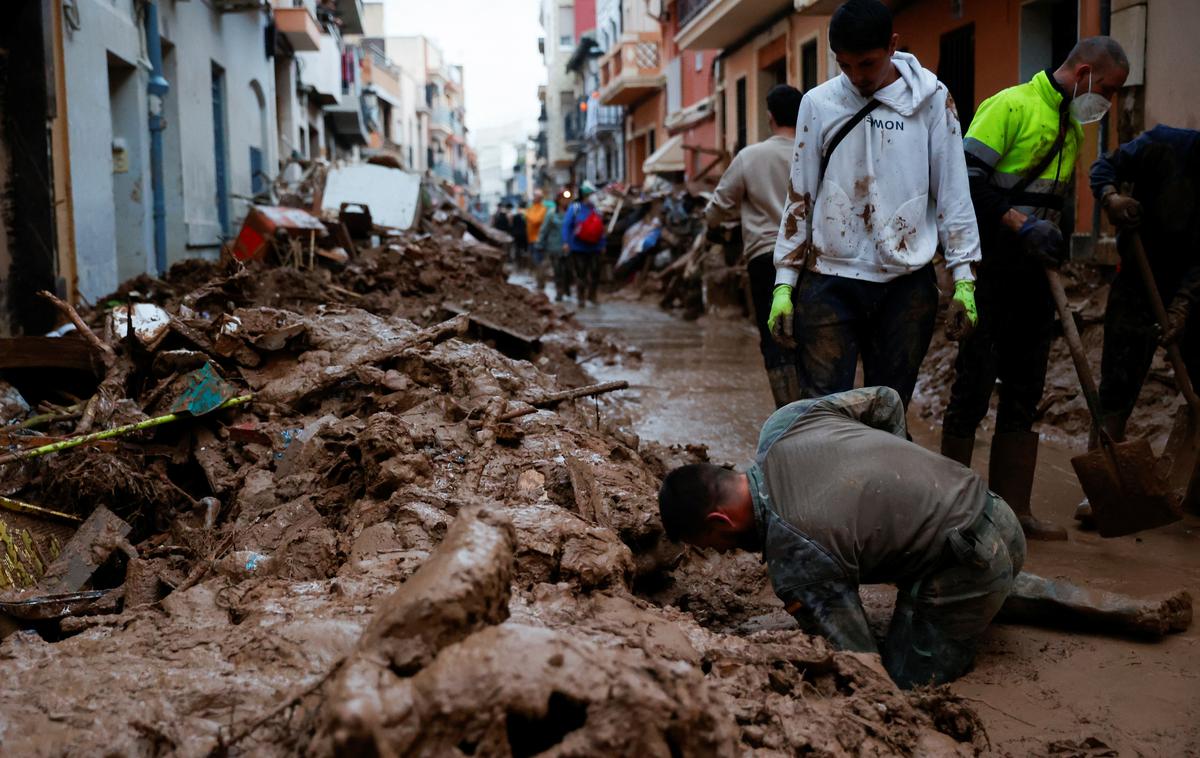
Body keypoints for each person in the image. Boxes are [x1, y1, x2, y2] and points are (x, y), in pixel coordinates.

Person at [657, 387, 1025, 688]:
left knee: (900, 685)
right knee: (924, 552)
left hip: (974, 566)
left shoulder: (794, 556)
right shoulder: (785, 422)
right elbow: (887, 400)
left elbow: (860, 661)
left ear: (720, 520)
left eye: (711, 546)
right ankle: (1009, 588)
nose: (723, 554)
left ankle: (987, 592)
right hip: (1000, 515)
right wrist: (893, 478)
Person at [940, 36, 1129, 540]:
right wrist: (1020, 223)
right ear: (1085, 72)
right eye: (1107, 89)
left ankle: (1014, 509)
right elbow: (964, 179)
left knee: (1026, 389)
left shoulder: (1072, 126)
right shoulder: (1010, 105)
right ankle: (950, 510)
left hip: (1035, 276)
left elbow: (1056, 199)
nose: (1107, 102)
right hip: (990, 270)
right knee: (973, 387)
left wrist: (1051, 238)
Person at [767, 0, 981, 412]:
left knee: (889, 412)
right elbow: (800, 196)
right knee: (823, 414)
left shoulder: (934, 100)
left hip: (906, 284)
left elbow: (954, 193)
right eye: (844, 66)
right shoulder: (818, 103)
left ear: (892, 45)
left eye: (866, 63)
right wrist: (783, 284)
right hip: (829, 280)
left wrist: (964, 278)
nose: (857, 77)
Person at [1075, 127, 1200, 524]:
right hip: (1138, 279)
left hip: (1192, 285)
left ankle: (1193, 491)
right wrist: (1112, 198)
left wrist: (1182, 308)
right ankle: (1104, 492)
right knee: (1117, 386)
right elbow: (1103, 165)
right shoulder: (1162, 144)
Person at [707, 84, 805, 407]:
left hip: (766, 259)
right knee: (810, 335)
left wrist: (712, 227)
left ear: (770, 117)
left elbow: (719, 205)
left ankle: (789, 416)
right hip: (812, 258)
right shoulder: (813, 152)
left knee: (774, 337)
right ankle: (818, 416)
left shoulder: (750, 157)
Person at [562, 181, 606, 306]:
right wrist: (566, 242)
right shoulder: (575, 208)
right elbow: (566, 226)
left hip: (595, 247)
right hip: (578, 247)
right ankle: (581, 297)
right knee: (581, 273)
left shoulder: (596, 209)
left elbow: (601, 228)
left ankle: (592, 296)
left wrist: (603, 244)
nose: (592, 196)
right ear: (585, 195)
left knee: (595, 272)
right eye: (590, 194)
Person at [537, 194, 572, 301]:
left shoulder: (571, 213)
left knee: (568, 270)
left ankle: (567, 288)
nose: (565, 201)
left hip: (570, 248)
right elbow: (544, 230)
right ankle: (559, 292)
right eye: (563, 199)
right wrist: (540, 244)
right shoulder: (551, 214)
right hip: (554, 247)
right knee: (558, 271)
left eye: (567, 199)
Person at [512, 201, 529, 266]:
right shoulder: (526, 214)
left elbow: (513, 225)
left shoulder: (516, 215)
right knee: (525, 249)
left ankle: (518, 262)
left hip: (517, 235)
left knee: (517, 248)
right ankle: (524, 263)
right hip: (525, 234)